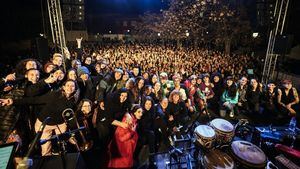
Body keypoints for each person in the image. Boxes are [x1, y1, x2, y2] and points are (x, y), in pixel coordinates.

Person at [0, 79, 78, 156]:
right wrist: (13, 101)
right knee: (45, 148)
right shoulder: (54, 94)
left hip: (60, 124)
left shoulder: (73, 100)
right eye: (68, 85)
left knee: (62, 144)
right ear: (63, 87)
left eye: (72, 86)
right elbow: (35, 100)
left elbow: (69, 115)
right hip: (45, 124)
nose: (70, 87)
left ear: (75, 88)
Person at [108, 104, 143, 169]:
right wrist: (132, 132)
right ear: (134, 112)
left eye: (141, 112)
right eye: (139, 112)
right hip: (123, 150)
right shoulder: (127, 120)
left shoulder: (134, 120)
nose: (141, 114)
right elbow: (121, 138)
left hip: (127, 150)